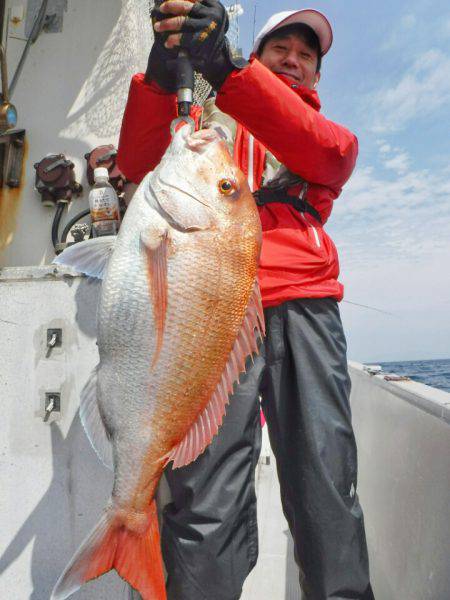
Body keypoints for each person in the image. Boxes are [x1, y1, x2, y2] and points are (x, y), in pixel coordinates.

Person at [117, 3, 375, 599]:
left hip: (302, 308)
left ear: (315, 78)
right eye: (282, 49)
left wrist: (230, 70)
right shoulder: (201, 128)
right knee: (203, 494)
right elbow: (135, 164)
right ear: (258, 55)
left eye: (308, 57)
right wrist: (160, 82)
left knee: (326, 484)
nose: (296, 60)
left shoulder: (321, 136)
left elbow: (329, 154)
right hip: (207, 314)